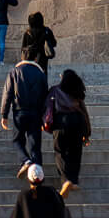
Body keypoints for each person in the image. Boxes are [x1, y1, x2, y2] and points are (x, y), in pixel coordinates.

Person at [44, 67, 91, 198]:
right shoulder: (77, 92)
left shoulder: (55, 90)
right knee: (76, 152)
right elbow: (84, 113)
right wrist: (87, 133)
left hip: (61, 123)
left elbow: (48, 107)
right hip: (77, 122)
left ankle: (65, 180)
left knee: (60, 153)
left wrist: (45, 123)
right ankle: (74, 180)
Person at [1, 49, 48, 174]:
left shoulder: (14, 72)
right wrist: (44, 116)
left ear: (22, 57)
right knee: (35, 145)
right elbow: (45, 96)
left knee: (17, 140)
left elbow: (7, 94)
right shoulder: (40, 73)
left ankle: (26, 160)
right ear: (35, 58)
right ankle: (37, 174)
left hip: (19, 112)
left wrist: (4, 114)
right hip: (36, 113)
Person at [20, 11, 57, 79]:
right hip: (43, 59)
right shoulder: (46, 31)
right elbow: (54, 43)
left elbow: (23, 48)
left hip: (30, 60)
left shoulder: (27, 33)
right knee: (42, 77)